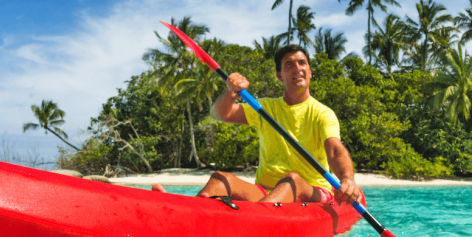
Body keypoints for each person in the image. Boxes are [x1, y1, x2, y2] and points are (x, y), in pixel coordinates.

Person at [153, 45, 362, 206]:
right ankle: (187, 214)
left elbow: (335, 151)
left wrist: (347, 179)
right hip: (266, 192)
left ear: (310, 71)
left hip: (313, 192)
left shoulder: (323, 113)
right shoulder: (265, 108)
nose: (297, 68)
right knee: (220, 179)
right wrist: (230, 92)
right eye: (289, 64)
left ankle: (247, 226)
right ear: (280, 76)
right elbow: (220, 113)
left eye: (302, 63)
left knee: (292, 181)